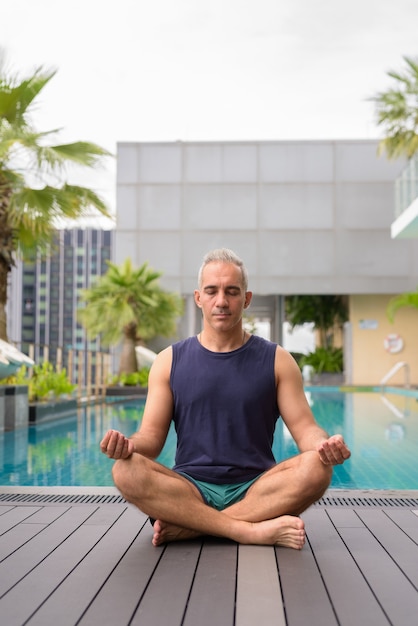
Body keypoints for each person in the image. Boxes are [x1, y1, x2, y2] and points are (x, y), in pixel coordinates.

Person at [100, 248, 351, 549]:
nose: (221, 301)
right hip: (190, 487)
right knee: (125, 470)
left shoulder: (277, 361)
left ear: (246, 299)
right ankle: (247, 530)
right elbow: (151, 440)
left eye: (232, 292)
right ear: (198, 298)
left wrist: (323, 445)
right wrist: (129, 446)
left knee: (317, 468)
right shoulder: (168, 361)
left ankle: (193, 527)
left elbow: (305, 430)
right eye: (212, 291)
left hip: (256, 488)